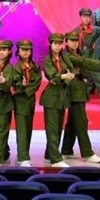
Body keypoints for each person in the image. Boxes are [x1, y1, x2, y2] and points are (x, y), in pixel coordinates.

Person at [61, 31, 100, 163]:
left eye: (76, 40)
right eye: (71, 40)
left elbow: (83, 64)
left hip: (79, 89)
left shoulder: (76, 52)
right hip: (74, 91)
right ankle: (87, 153)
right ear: (66, 42)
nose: (74, 43)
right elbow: (82, 61)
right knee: (81, 122)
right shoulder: (67, 55)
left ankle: (66, 150)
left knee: (73, 122)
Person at [40, 33, 75, 168]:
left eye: (60, 44)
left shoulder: (63, 57)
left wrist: (65, 77)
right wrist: (63, 76)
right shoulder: (47, 59)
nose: (57, 46)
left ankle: (49, 154)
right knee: (52, 129)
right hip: (51, 97)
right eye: (55, 43)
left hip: (62, 96)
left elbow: (71, 71)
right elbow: (52, 76)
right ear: (50, 44)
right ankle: (56, 159)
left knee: (58, 128)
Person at [12, 39, 42, 167]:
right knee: (22, 129)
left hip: (30, 100)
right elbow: (15, 84)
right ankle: (22, 157)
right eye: (23, 50)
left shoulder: (34, 66)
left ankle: (24, 154)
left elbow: (37, 82)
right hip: (20, 100)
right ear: (18, 52)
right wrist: (22, 86)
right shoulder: (16, 67)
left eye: (28, 50)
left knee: (28, 128)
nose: (25, 52)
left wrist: (26, 87)